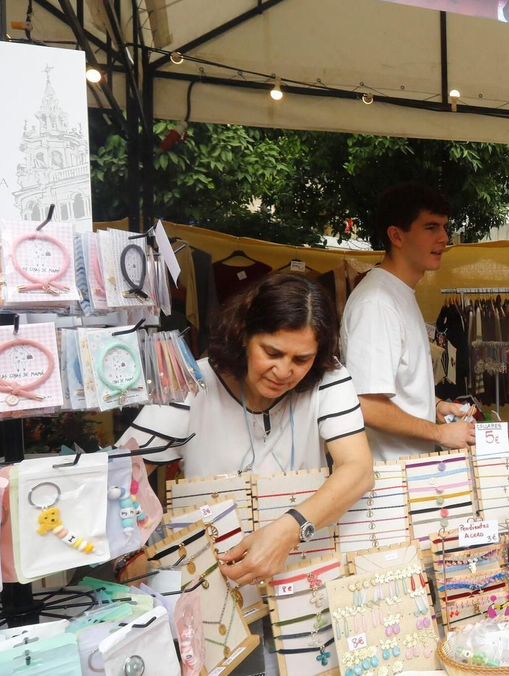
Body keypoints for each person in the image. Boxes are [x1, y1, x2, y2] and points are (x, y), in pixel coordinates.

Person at [124, 272, 373, 585]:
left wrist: (288, 531)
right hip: (209, 582)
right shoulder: (192, 385)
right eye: (271, 353)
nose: (283, 371)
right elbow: (119, 478)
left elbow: (359, 469)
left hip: (304, 581)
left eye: (302, 358)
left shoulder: (329, 379)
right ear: (243, 333)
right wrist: (129, 555)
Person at [340, 183, 476, 462]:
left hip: (409, 475)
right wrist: (440, 434)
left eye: (444, 227)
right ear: (396, 236)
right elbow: (365, 404)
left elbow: (395, 387)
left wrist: (435, 405)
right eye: (431, 228)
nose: (444, 238)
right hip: (388, 482)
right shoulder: (377, 303)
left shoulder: (398, 292)